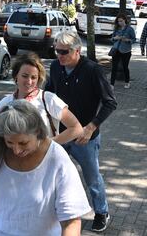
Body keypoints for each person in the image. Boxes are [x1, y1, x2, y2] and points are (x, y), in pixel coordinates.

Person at [0, 100, 91, 236]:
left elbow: (71, 221)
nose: (16, 150)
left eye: (23, 143)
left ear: (38, 132)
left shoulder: (57, 159)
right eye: (9, 142)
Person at [45, 31, 117, 233]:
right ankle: (58, 209)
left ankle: (101, 212)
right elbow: (49, 94)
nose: (59, 56)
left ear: (77, 51)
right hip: (60, 134)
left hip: (85, 138)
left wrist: (90, 128)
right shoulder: (56, 67)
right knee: (55, 173)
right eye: (56, 51)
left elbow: (110, 102)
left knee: (92, 177)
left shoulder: (92, 70)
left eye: (64, 52)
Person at [0, 53, 83, 145]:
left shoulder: (48, 99)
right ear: (16, 76)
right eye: (25, 76)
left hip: (45, 159)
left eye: (34, 77)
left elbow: (76, 128)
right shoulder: (6, 103)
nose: (29, 82)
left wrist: (47, 145)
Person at [109, 13, 137, 89]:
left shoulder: (130, 29)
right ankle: (112, 84)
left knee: (125, 67)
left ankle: (127, 82)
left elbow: (134, 39)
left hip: (126, 51)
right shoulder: (116, 29)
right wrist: (115, 38)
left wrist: (127, 40)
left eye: (121, 21)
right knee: (114, 67)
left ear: (125, 20)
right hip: (116, 49)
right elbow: (111, 39)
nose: (120, 23)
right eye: (118, 21)